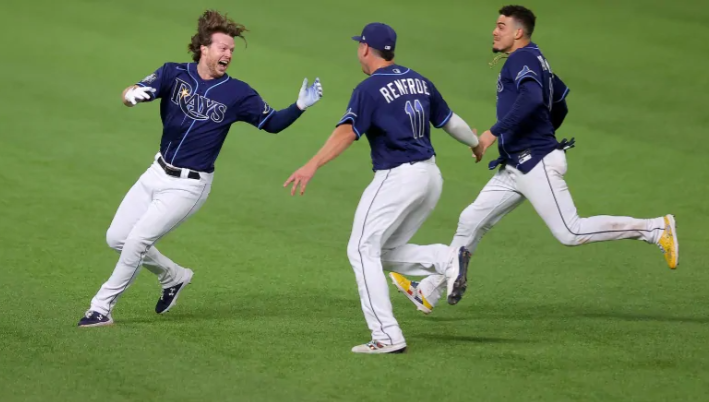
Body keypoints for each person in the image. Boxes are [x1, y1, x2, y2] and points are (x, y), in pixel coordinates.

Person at [389, 5, 678, 315]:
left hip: (535, 162)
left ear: (518, 32)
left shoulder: (522, 58)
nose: (494, 30)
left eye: (501, 25)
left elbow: (532, 99)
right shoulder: (536, 58)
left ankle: (654, 229)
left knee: (571, 231)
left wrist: (493, 134)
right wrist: (539, 131)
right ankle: (429, 290)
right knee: (471, 219)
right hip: (517, 165)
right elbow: (560, 102)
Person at [78, 10, 324, 327]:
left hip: (188, 186)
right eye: (223, 47)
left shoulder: (238, 93)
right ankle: (174, 277)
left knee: (137, 241)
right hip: (155, 172)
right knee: (117, 238)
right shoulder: (173, 73)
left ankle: (100, 308)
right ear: (204, 48)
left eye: (232, 50)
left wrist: (300, 106)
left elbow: (272, 123)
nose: (228, 54)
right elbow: (133, 91)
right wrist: (131, 96)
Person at [284, 22, 483, 353]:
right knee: (380, 252)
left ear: (365, 48)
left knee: (361, 250)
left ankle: (386, 335)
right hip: (431, 178)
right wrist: (476, 143)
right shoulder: (419, 80)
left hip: (398, 178)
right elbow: (451, 121)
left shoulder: (369, 88)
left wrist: (312, 164)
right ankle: (448, 258)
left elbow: (347, 133)